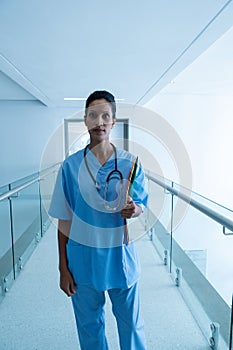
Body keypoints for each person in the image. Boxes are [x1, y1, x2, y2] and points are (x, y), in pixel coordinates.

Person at [49, 90, 148, 350]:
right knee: (90, 329)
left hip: (120, 259)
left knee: (132, 327)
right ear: (85, 120)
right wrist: (63, 267)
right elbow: (64, 219)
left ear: (114, 121)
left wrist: (134, 209)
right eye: (93, 115)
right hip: (83, 261)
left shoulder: (130, 163)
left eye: (106, 116)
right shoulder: (70, 167)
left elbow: (141, 204)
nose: (99, 121)